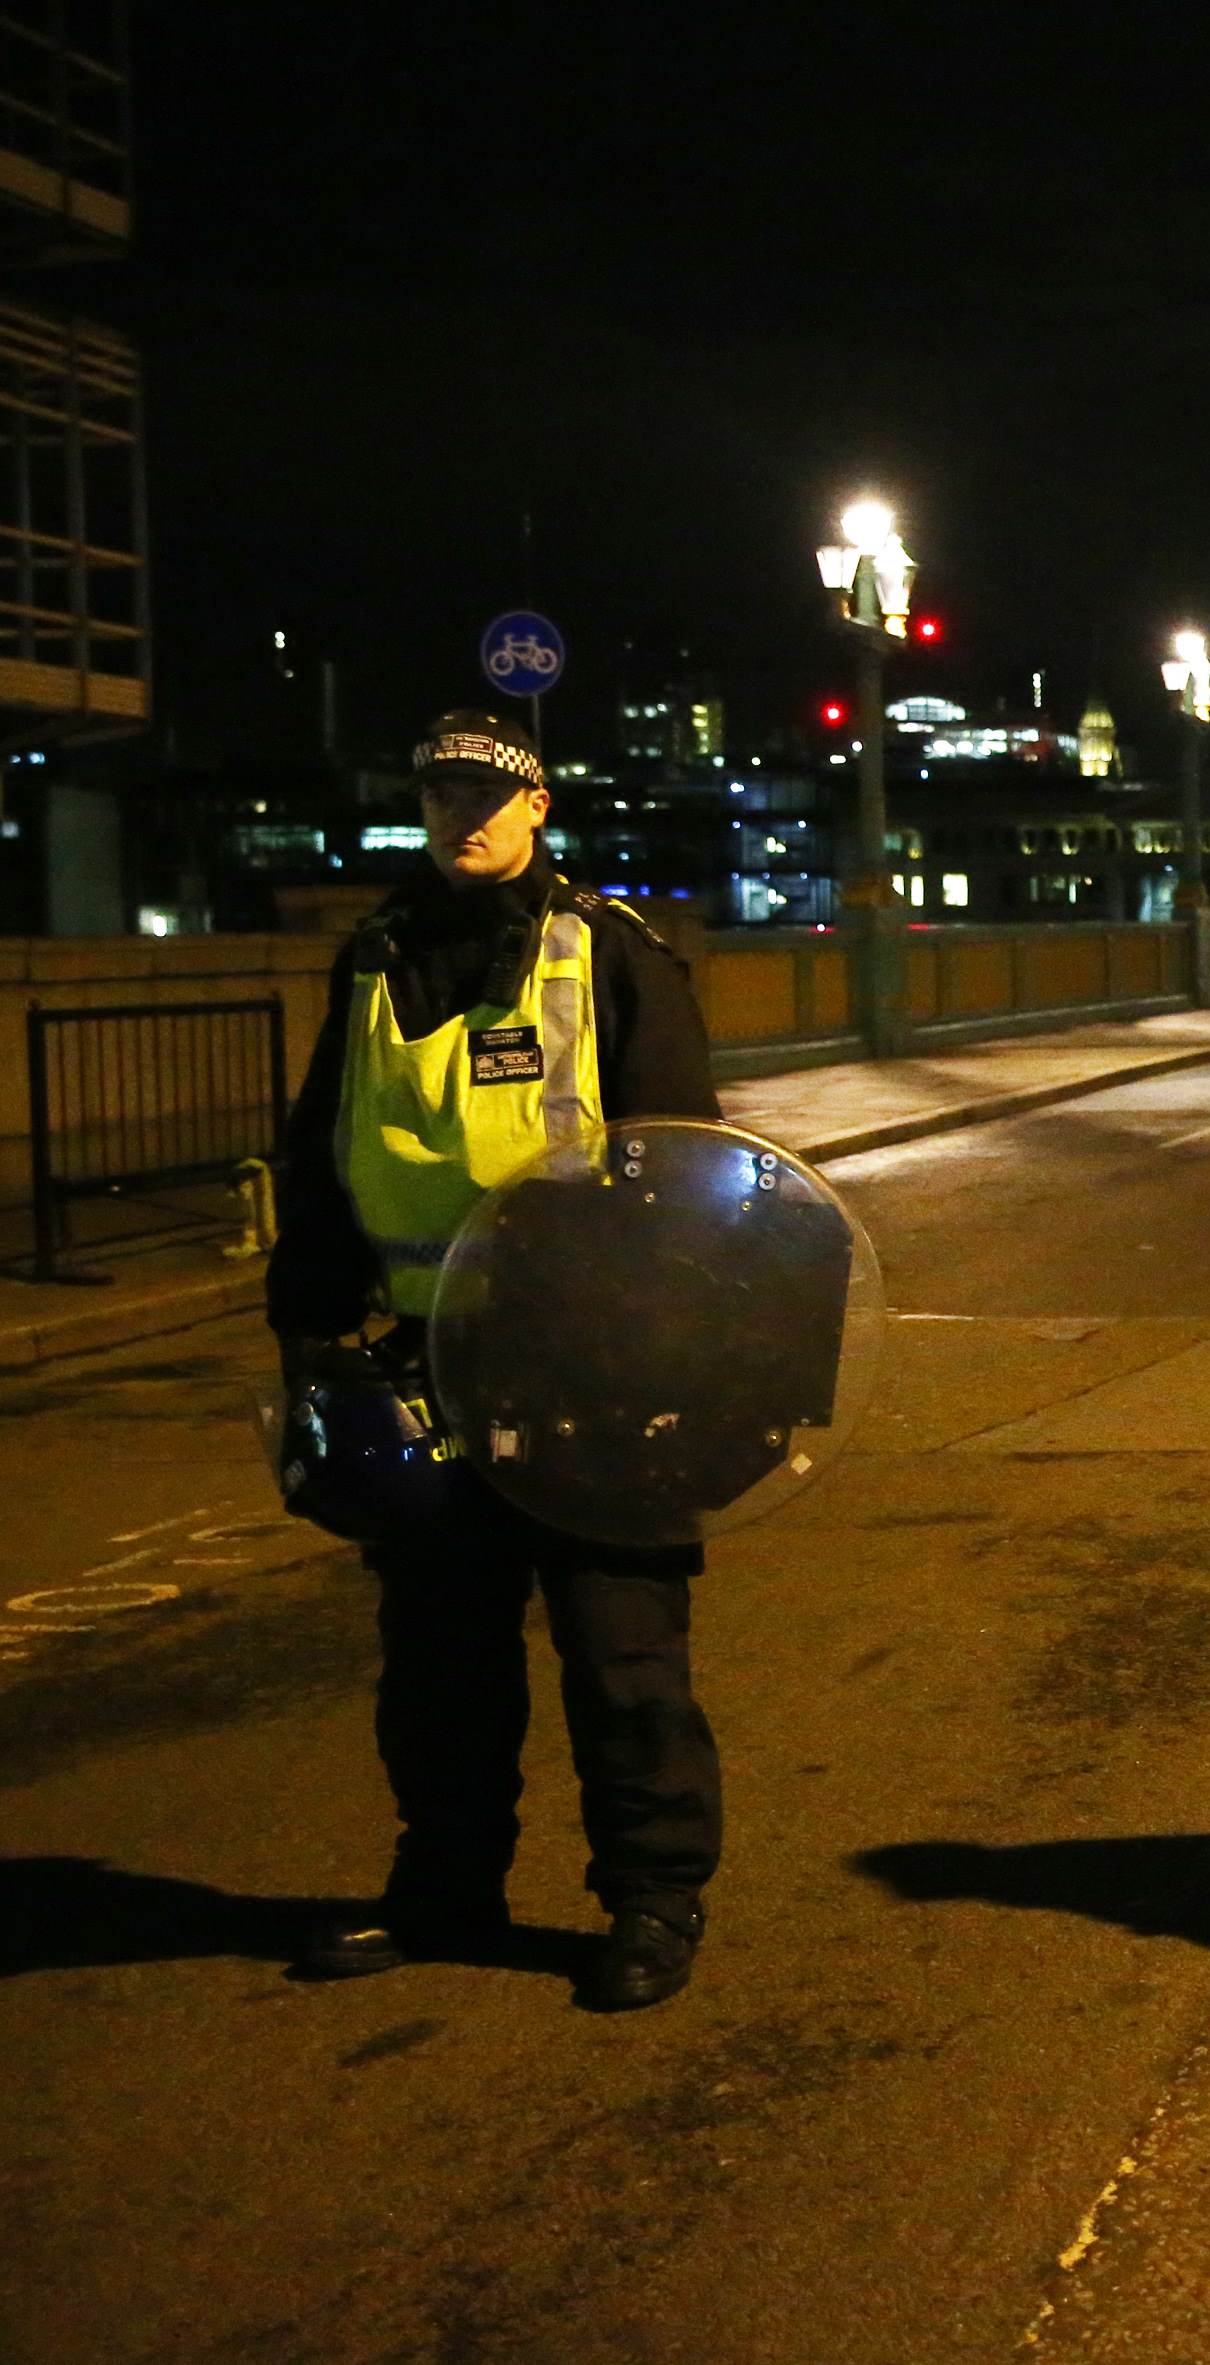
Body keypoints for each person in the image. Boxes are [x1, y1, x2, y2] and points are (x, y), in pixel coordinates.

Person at [268, 710, 728, 2012]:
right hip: (427, 1359)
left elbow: (684, 1168)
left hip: (595, 1360)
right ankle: (444, 1891)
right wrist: (306, 1307)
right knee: (439, 1662)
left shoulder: (613, 953)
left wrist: (678, 1348)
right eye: (442, 791)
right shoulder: (375, 957)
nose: (465, 813)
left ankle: (651, 1899)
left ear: (539, 811)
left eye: (491, 793)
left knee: (622, 1653)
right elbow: (325, 1141)